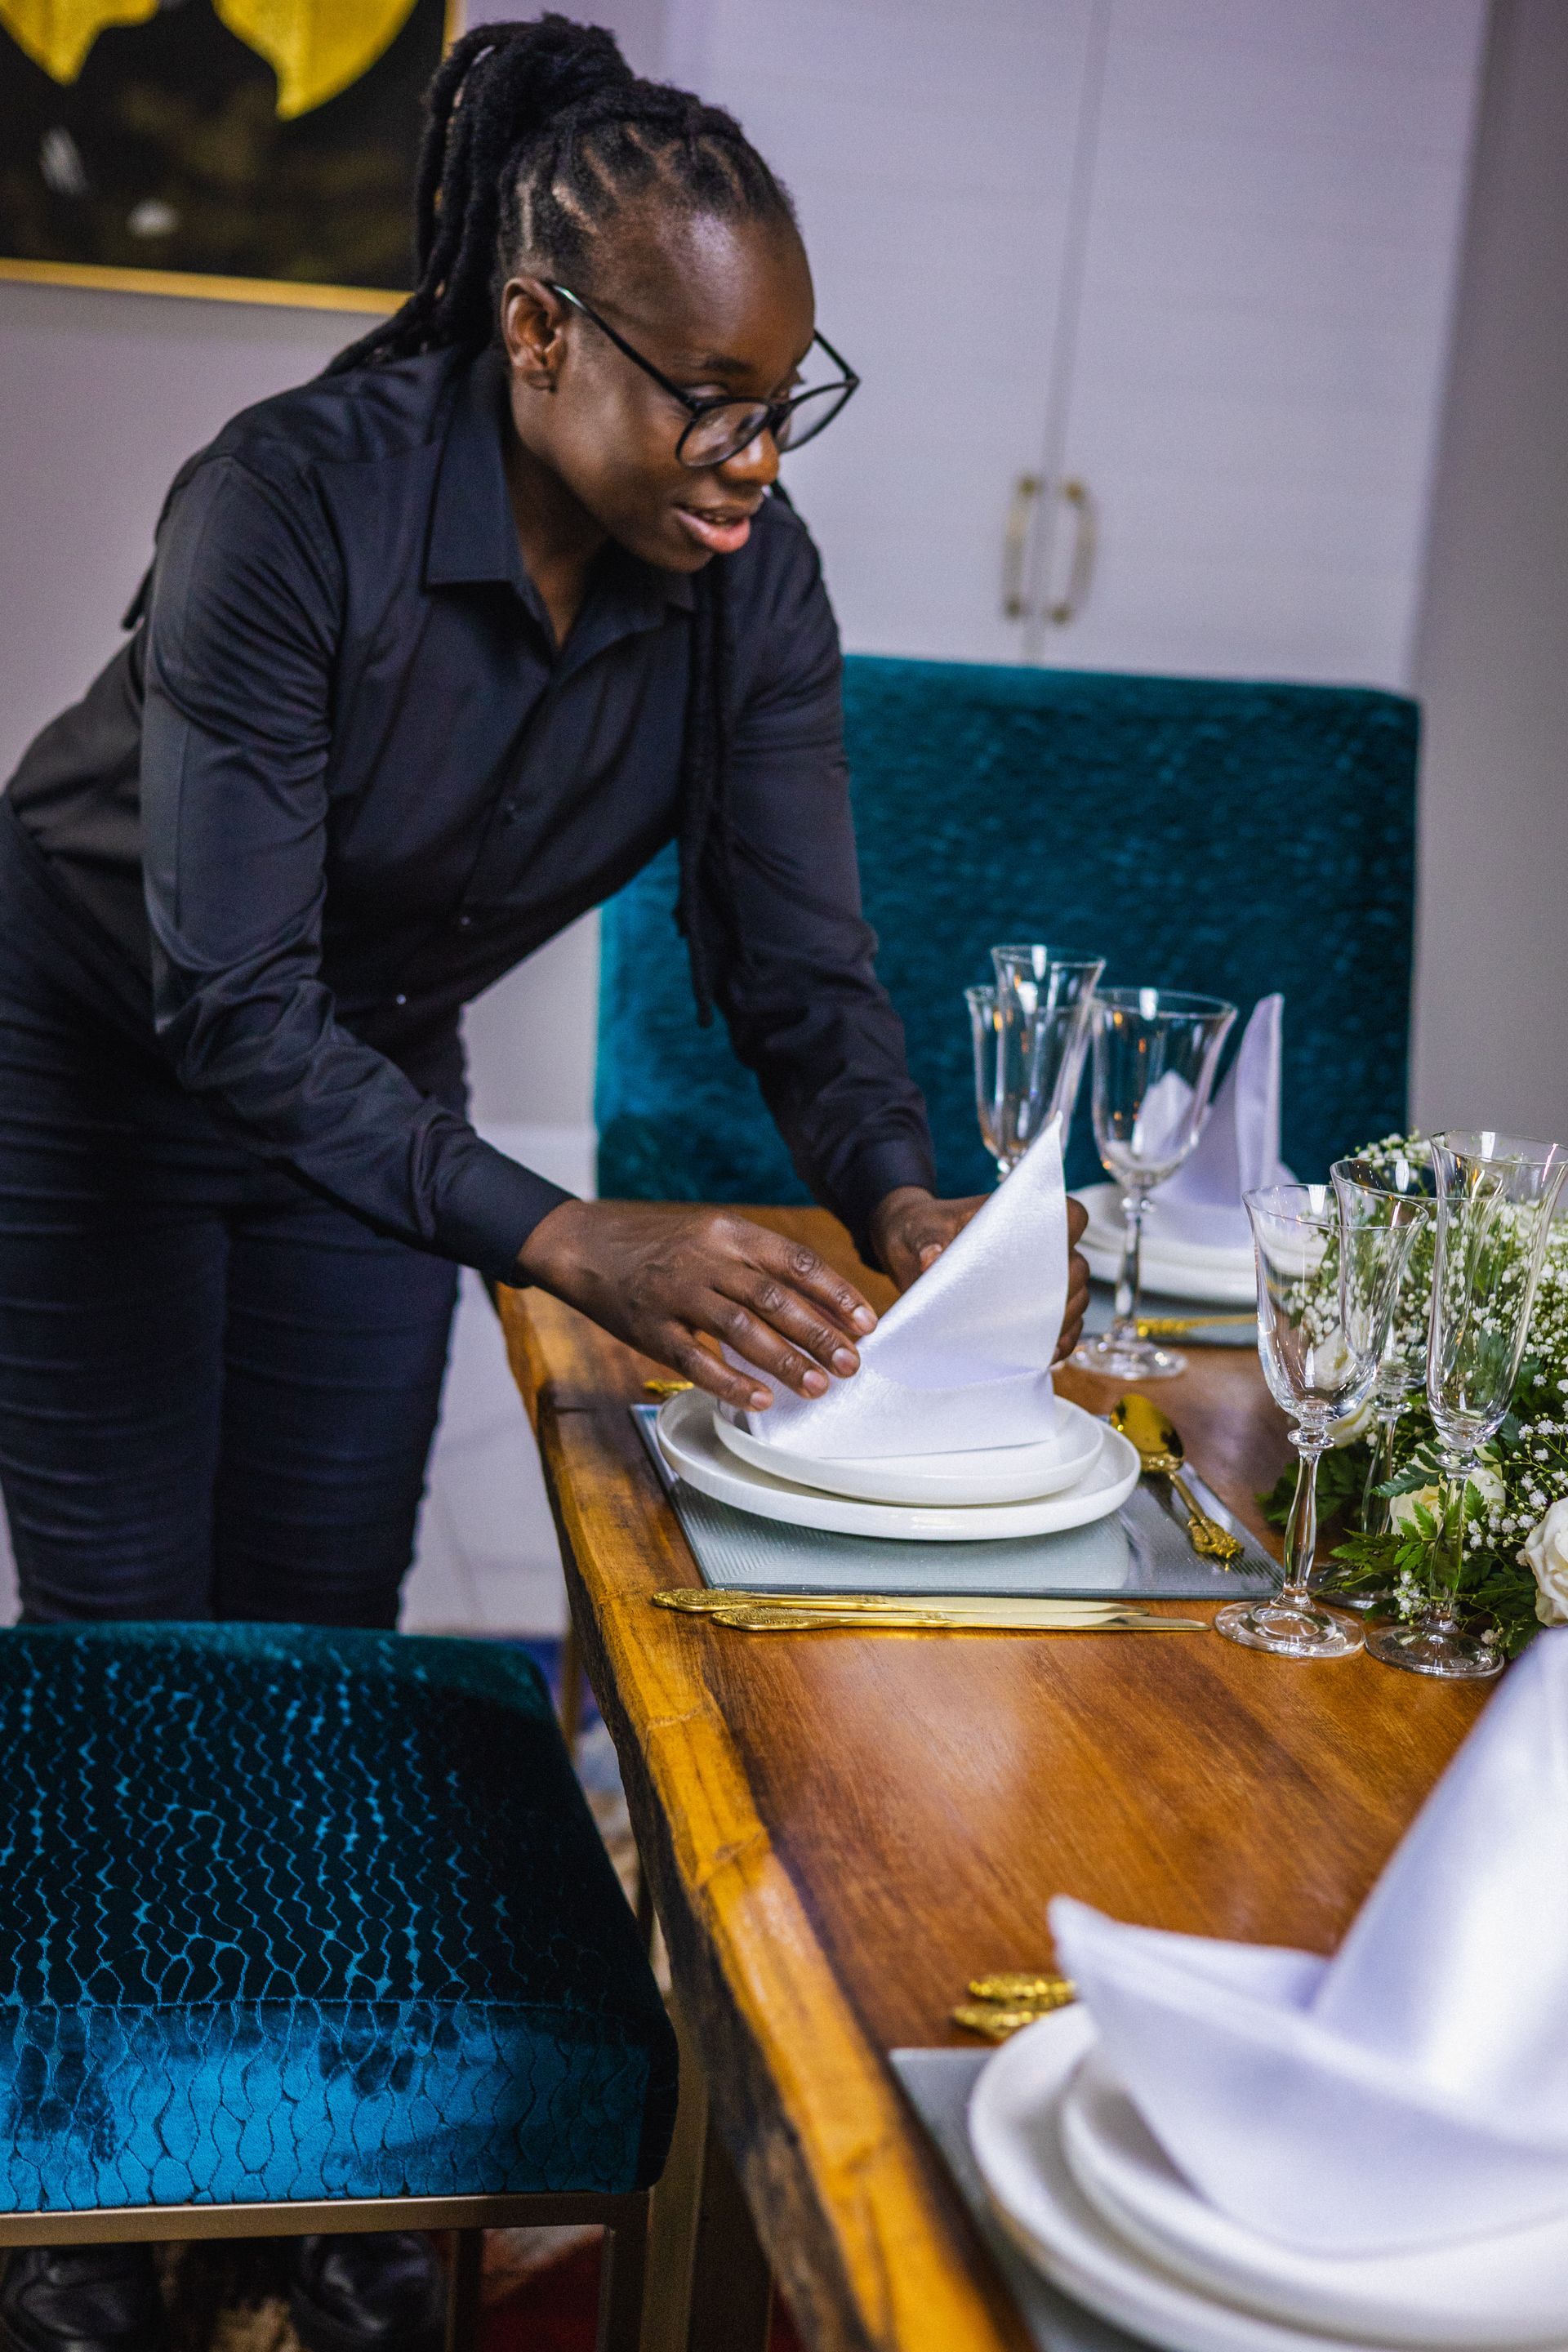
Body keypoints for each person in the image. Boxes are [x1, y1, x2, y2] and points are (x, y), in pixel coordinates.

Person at [0, 17, 1090, 2352]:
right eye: (708, 390)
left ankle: (327, 2164)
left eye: (787, 394)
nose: (753, 451)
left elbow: (798, 964)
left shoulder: (741, 590)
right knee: (132, 1645)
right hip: (92, 1057)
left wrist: (910, 1207)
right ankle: (103, 2217)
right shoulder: (285, 505)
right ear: (535, 335)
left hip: (355, 1081)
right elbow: (221, 1004)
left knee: (320, 1630)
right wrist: (566, 1236)